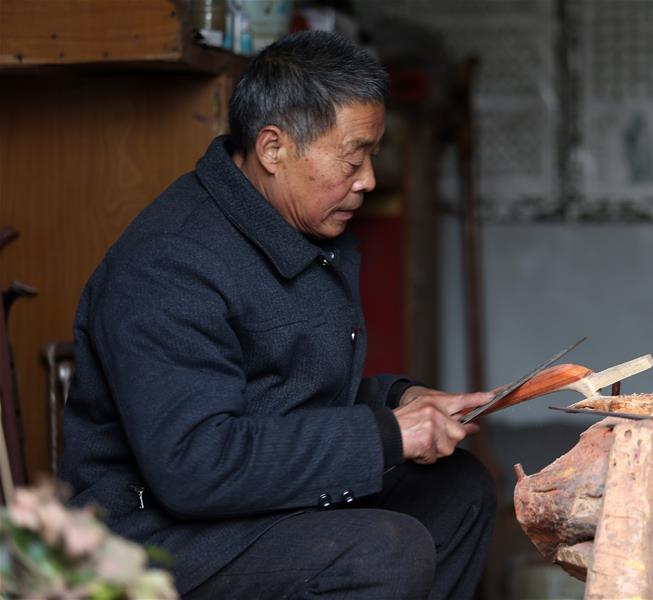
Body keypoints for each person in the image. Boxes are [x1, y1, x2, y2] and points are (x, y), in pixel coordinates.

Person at [61, 30, 496, 599]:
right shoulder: (171, 265)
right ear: (274, 149)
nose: (366, 179)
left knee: (458, 491)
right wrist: (386, 436)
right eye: (352, 156)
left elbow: (282, 397)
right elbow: (197, 465)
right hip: (148, 535)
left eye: (372, 155)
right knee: (383, 552)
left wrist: (398, 403)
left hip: (240, 505)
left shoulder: (292, 226)